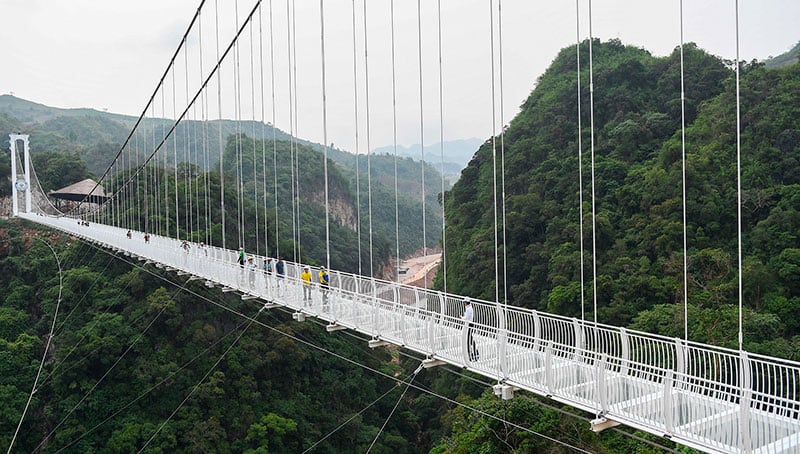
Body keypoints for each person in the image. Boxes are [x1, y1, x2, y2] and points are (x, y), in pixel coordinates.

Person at [462, 297, 479, 361]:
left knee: (468, 339)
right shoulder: (469, 308)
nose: (464, 303)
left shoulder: (469, 309)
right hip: (469, 324)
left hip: (469, 325)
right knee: (469, 338)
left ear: (466, 302)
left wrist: (462, 318)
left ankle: (471, 353)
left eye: (464, 302)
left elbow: (467, 318)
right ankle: (473, 352)